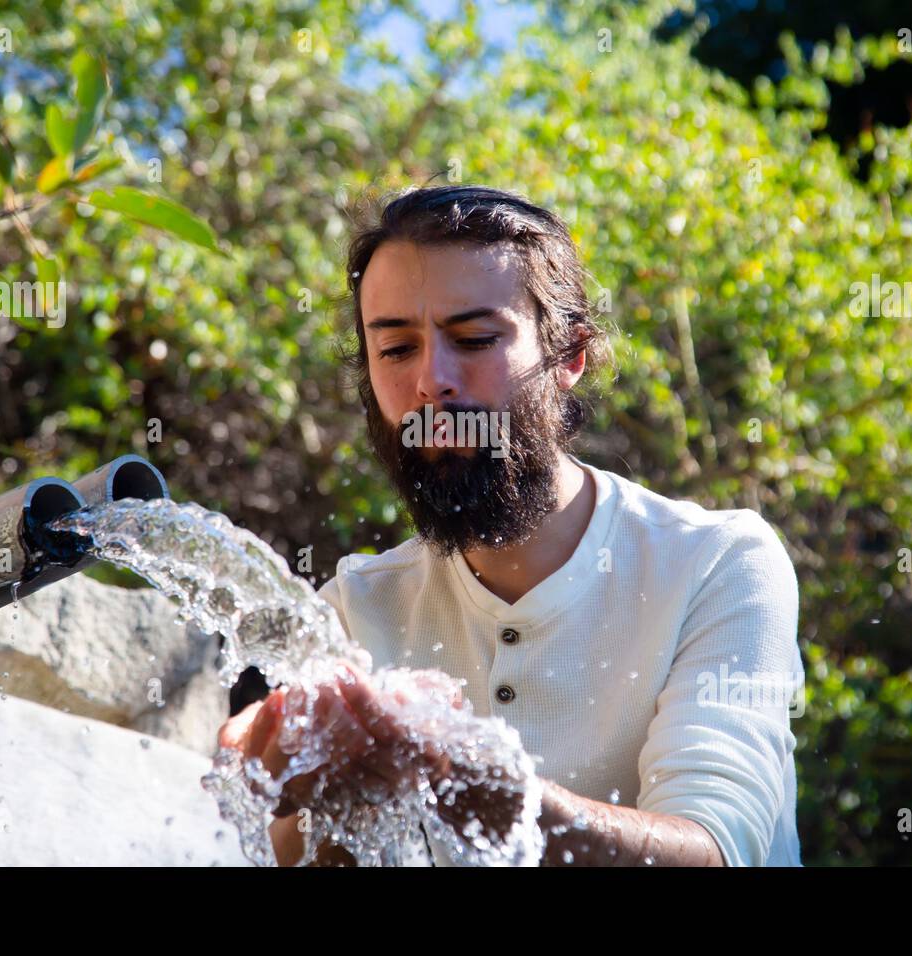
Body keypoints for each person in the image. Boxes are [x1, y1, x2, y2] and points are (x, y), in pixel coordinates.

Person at [217, 184, 804, 867]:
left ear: (570, 355)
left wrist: (466, 777)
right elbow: (279, 850)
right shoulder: (355, 610)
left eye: (474, 338)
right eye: (396, 350)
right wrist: (283, 782)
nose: (432, 382)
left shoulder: (716, 564)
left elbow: (715, 850)